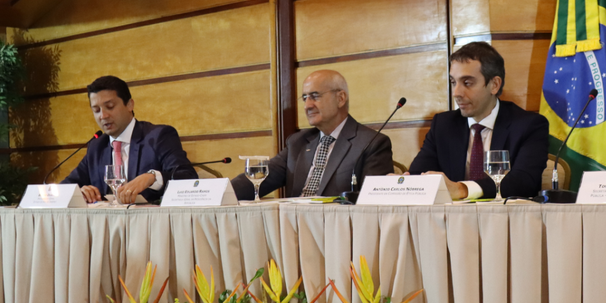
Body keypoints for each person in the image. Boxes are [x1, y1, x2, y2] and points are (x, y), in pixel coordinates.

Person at [408, 42, 549, 200]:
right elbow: (418, 175)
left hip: (507, 220)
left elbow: (524, 182)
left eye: (467, 83)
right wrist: (402, 184)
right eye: (453, 82)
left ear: (494, 85)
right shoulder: (443, 125)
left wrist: (463, 189)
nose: (456, 93)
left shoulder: (529, 125)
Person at [231, 70, 393, 200]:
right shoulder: (298, 142)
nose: (307, 106)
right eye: (304, 98)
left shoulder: (371, 143)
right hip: (293, 227)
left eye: (315, 96)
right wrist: (220, 194)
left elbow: (373, 203)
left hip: (337, 230)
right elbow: (260, 177)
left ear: (340, 98)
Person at [62, 76, 197, 204]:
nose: (103, 116)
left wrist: (152, 178)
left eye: (110, 107)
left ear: (129, 105)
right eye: (96, 110)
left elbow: (187, 177)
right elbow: (64, 188)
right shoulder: (97, 146)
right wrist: (79, 193)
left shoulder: (158, 137)